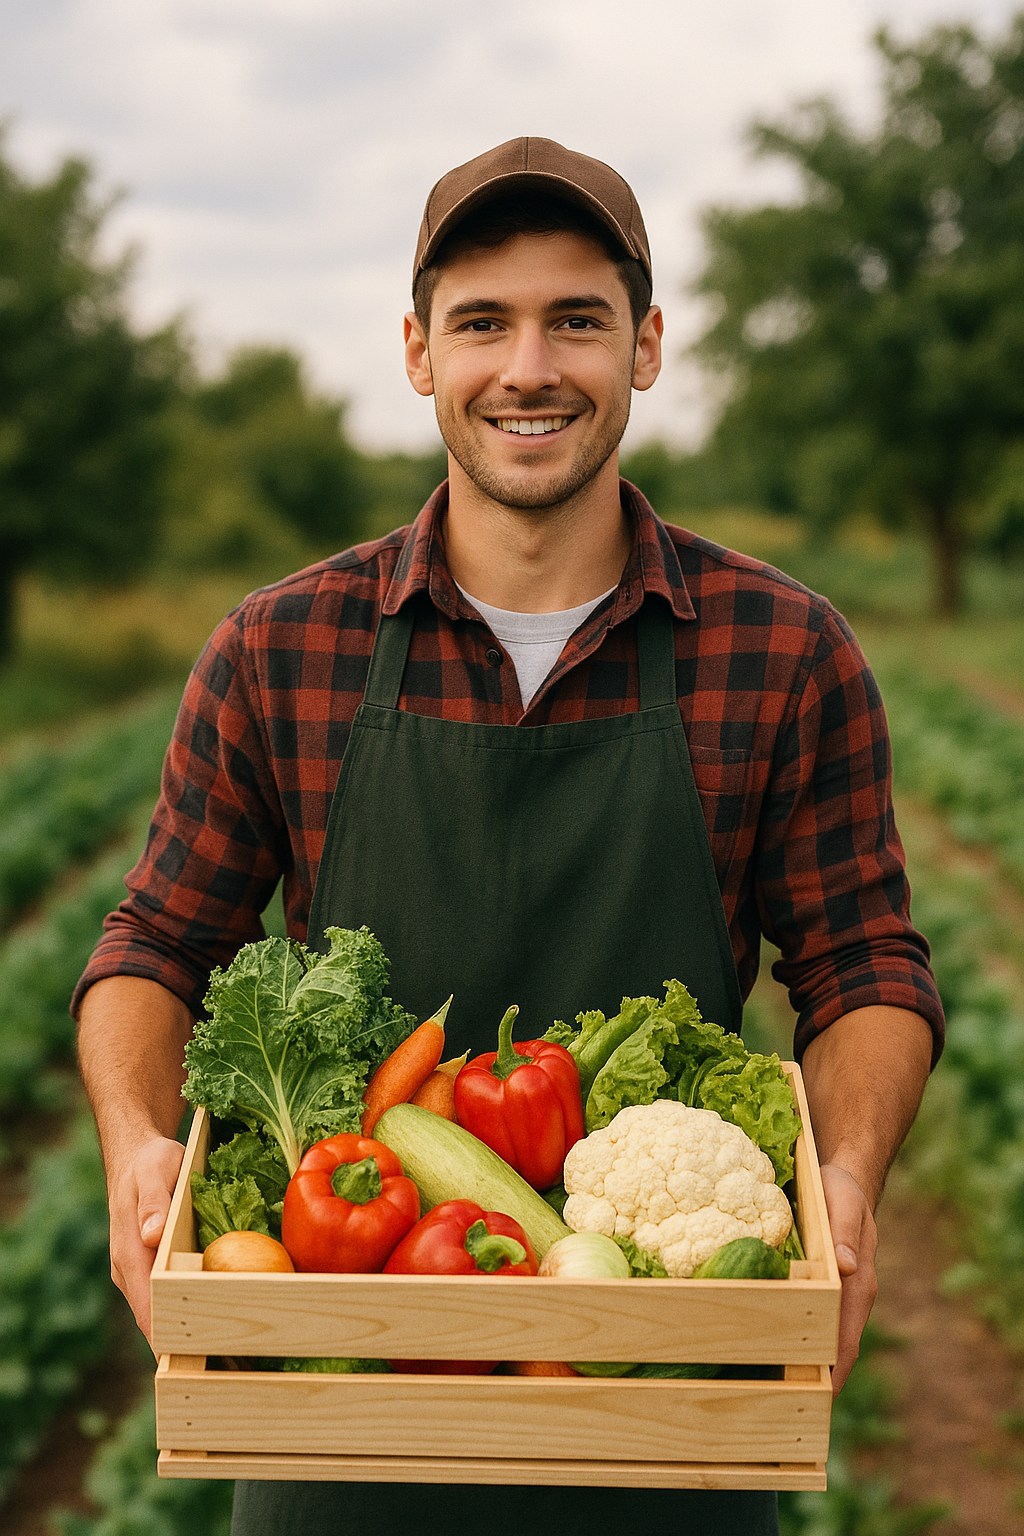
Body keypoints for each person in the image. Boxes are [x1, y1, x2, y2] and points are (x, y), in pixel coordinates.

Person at [74, 137, 943, 1536]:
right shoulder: (280, 648)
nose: (528, 369)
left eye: (576, 320)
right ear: (420, 353)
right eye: (483, 322)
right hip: (343, 1400)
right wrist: (134, 1140)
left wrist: (842, 1176)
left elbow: (863, 965)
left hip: (672, 1409)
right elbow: (158, 943)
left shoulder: (784, 650)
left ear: (645, 347)